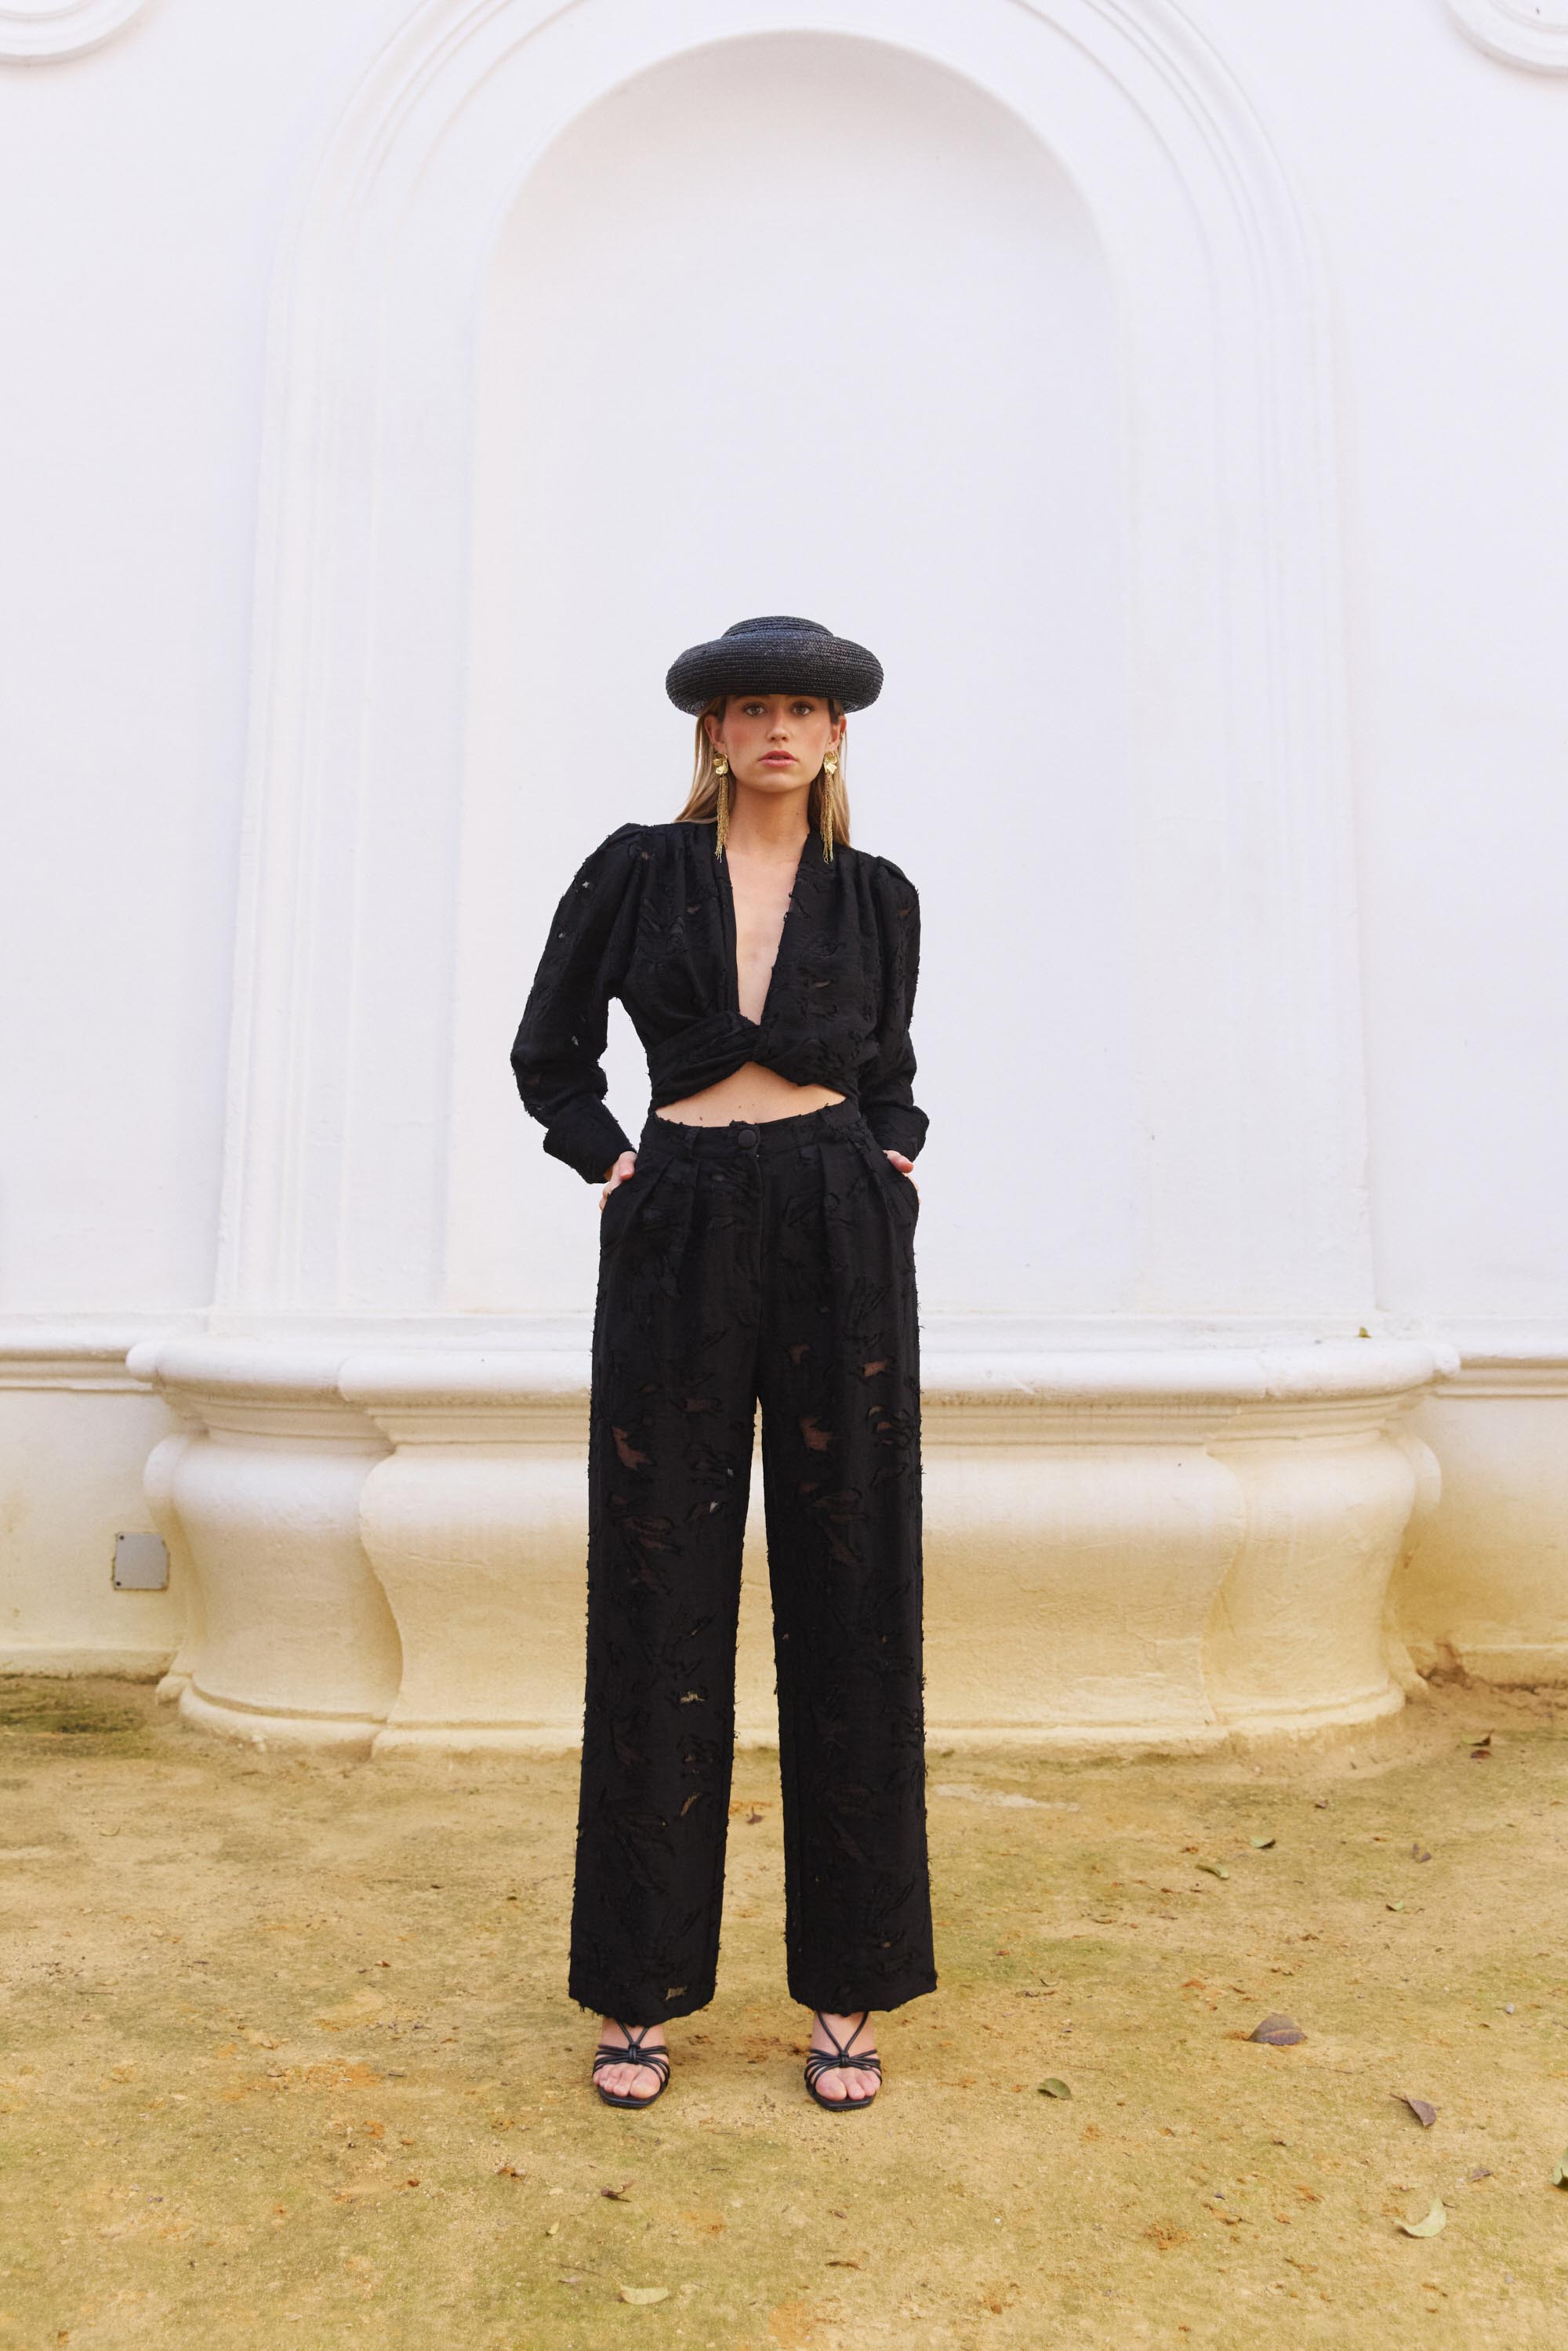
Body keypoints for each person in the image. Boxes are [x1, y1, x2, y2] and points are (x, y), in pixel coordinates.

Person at [510, 615, 935, 2113]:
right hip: (680, 1210)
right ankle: (637, 1989)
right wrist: (611, 1162)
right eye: (751, 708)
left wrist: (890, 1158)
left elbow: (890, 1068)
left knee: (854, 1585)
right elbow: (549, 1050)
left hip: (837, 1214)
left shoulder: (876, 895)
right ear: (713, 730)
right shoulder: (637, 870)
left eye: (801, 710)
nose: (776, 731)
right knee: (657, 1582)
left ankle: (849, 1988)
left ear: (835, 735)